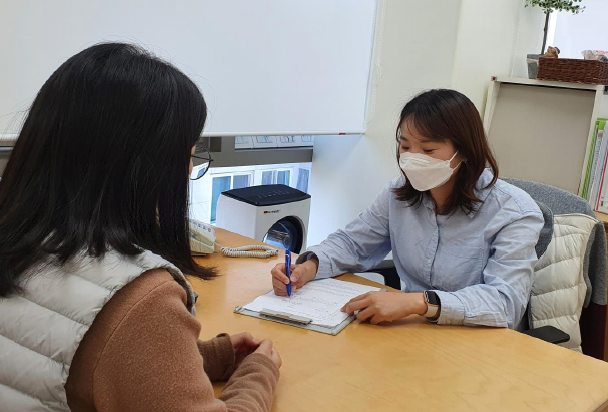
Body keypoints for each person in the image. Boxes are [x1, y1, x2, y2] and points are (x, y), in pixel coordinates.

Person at [0, 43, 281, 412]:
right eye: (188, 154)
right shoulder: (141, 299)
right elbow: (119, 334)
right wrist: (258, 375)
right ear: (145, 167)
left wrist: (202, 357)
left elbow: (54, 352)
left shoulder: (22, 241)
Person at [272, 89, 544, 330]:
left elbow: (506, 304)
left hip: (481, 342)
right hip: (413, 331)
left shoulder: (515, 212)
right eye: (405, 146)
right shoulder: (398, 194)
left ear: (464, 152)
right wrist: (308, 268)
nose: (412, 158)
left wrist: (418, 302)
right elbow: (353, 243)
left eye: (428, 149)